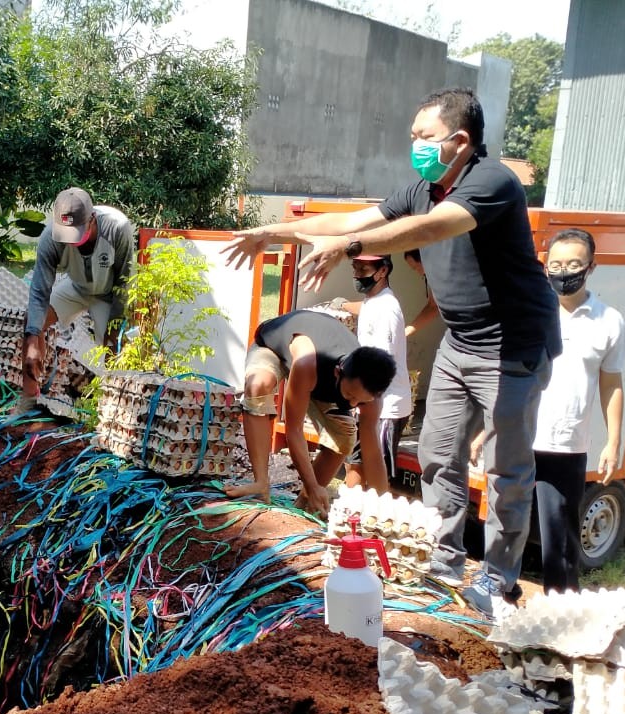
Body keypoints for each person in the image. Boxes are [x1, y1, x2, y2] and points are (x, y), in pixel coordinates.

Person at [223, 87, 560, 617]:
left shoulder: (492, 184)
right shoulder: (420, 189)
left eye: (424, 137)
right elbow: (350, 222)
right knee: (437, 456)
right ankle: (446, 561)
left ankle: (498, 578)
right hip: (460, 341)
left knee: (504, 467)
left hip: (512, 347)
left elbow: (429, 228)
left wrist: (352, 248)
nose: (415, 146)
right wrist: (275, 231)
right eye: (413, 138)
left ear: (460, 140)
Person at [491, 228, 625, 593]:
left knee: (560, 541)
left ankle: (562, 612)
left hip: (567, 444)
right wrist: (481, 432)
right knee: (504, 527)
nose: (564, 272)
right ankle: (500, 599)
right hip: (518, 435)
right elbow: (497, 373)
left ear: (591, 268)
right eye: (556, 264)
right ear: (545, 266)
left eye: (574, 265)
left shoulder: (609, 321)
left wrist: (613, 442)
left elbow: (611, 384)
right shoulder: (527, 311)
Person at [227, 308, 397, 515]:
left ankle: (305, 502)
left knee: (344, 437)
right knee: (259, 385)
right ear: (338, 373)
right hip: (273, 348)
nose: (353, 404)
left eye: (361, 402)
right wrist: (314, 485)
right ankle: (260, 483)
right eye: (351, 396)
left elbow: (372, 453)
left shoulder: (369, 396)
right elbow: (294, 431)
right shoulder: (307, 360)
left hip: (319, 380)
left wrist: (384, 507)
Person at [20, 187, 134, 412]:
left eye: (77, 234)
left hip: (108, 295)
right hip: (75, 288)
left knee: (115, 350)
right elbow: (39, 291)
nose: (72, 242)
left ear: (92, 219)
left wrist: (113, 331)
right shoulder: (50, 237)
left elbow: (124, 283)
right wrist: (33, 338)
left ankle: (115, 411)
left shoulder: (117, 228)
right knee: (32, 323)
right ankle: (29, 399)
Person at [342, 254, 412, 489]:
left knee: (374, 473)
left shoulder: (387, 308)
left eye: (363, 269)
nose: (356, 275)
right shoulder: (372, 301)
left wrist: (363, 401)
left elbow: (381, 365)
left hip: (385, 406)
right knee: (355, 463)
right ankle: (350, 516)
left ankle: (370, 520)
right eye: (354, 268)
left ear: (382, 272)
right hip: (370, 401)